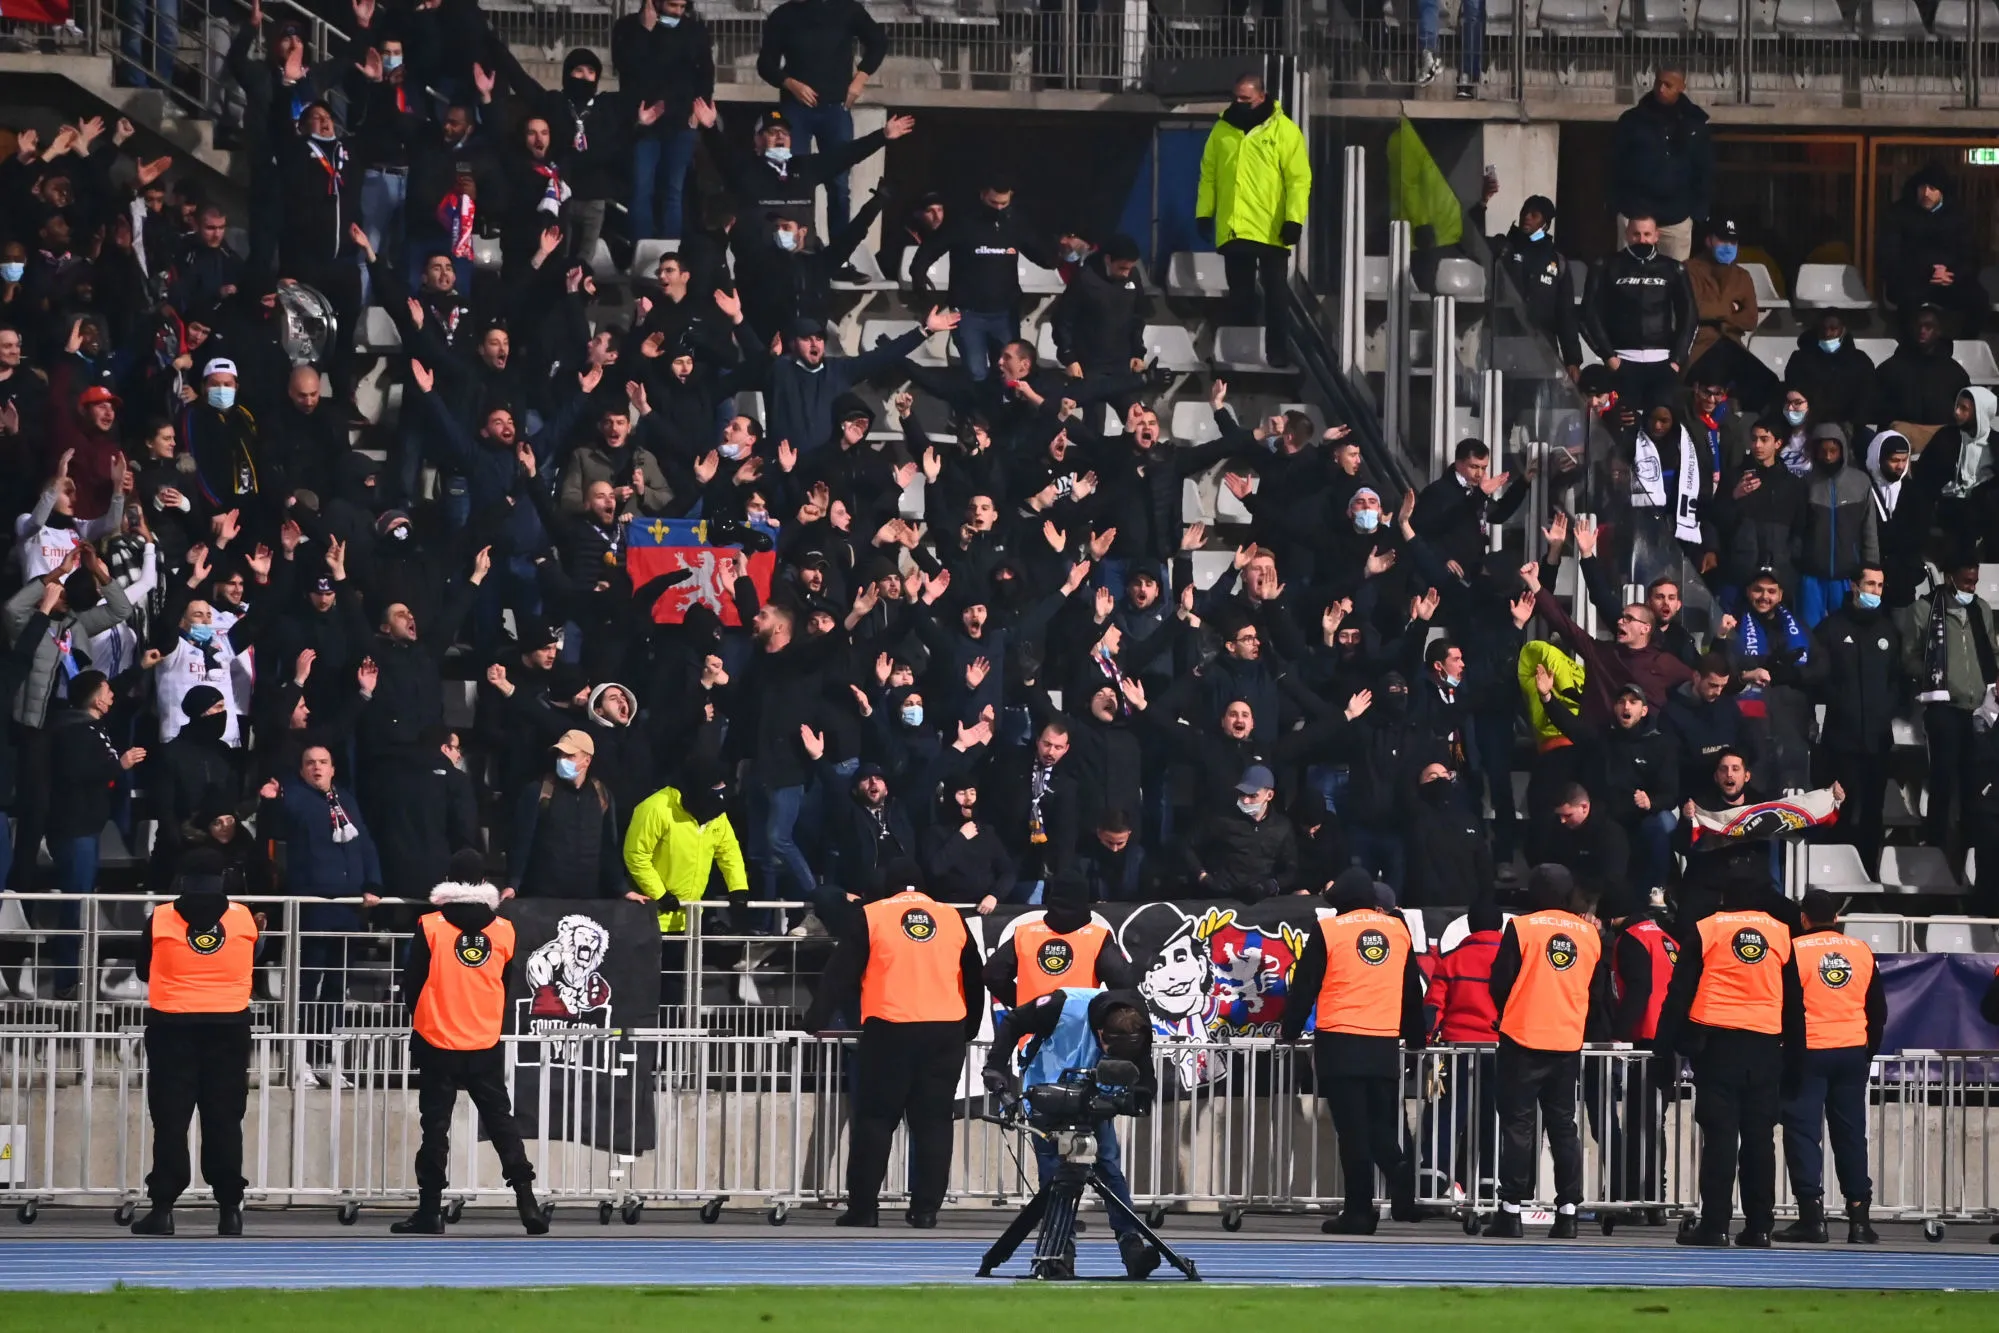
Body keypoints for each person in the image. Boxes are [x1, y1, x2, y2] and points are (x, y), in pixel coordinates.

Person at [804, 862, 982, 1227]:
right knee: (933, 1123)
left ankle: (864, 1209)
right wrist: (970, 1027)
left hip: (891, 1027)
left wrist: (815, 1020)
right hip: (946, 1028)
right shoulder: (951, 917)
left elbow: (840, 973)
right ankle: (926, 1210)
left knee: (875, 1121)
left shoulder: (871, 916)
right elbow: (974, 975)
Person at [392, 853, 548, 1236]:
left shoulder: (431, 925)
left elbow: (411, 983)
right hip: (483, 1039)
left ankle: (430, 1210)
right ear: (482, 884)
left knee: (435, 1130)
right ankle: (527, 1203)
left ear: (449, 881)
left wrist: (425, 1014)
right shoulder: (504, 930)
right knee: (501, 1123)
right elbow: (507, 985)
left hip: (437, 1039)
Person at [1654, 876, 1804, 1247]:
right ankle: (1759, 1227)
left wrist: (1665, 1048)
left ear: (1725, 895)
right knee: (1759, 1141)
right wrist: (1797, 1061)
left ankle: (1715, 1225)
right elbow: (1795, 1005)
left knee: (1720, 1138)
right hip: (1767, 1047)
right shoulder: (1781, 934)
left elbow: (1679, 993)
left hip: (1717, 1045)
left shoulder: (1708, 929)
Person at [1280, 867, 1428, 1233]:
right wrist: (1415, 1037)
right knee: (1380, 1126)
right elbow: (1411, 989)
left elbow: (1305, 986)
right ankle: (1402, 1177)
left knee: (1353, 1132)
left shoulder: (1330, 930)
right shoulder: (1398, 930)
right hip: (1384, 1042)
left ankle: (1360, 1210)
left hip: (1341, 1041)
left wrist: (1290, 1031)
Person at [983, 987, 1160, 1279]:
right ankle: (1060, 1251)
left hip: (1094, 1098)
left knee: (1109, 1169)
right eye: (1111, 1052)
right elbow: (1013, 1022)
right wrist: (995, 1067)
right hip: (1048, 1091)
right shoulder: (1060, 1006)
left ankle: (1132, 1248)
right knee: (1056, 1176)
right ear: (1102, 1033)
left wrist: (1139, 1095)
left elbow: (1144, 1069)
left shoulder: (1136, 1024)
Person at [127, 849, 260, 1237]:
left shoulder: (161, 917)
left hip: (173, 1027)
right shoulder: (243, 918)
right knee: (224, 1119)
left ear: (183, 878)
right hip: (229, 1028)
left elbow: (141, 968)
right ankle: (230, 1211)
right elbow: (254, 957)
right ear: (223, 877)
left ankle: (163, 1210)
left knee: (170, 1120)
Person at [1482, 864, 1612, 1238]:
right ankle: (1568, 1212)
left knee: (1518, 1127)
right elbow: (1597, 990)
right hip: (1566, 1041)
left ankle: (1510, 1212)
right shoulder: (1589, 934)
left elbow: (1500, 983)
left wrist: (1511, 1012)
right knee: (1563, 1128)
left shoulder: (1521, 928)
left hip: (1523, 1038)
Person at [1777, 889, 1886, 1245]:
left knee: (1804, 1134)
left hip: (1809, 1051)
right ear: (1836, 918)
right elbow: (1878, 1011)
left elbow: (1789, 1009)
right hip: (1853, 1051)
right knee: (1851, 1135)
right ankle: (1859, 1220)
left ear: (1803, 918)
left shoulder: (1794, 950)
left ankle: (1812, 1218)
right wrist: (1868, 1052)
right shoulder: (1861, 950)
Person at [1195, 73, 1310, 368]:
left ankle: (1277, 352)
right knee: (1240, 296)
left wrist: (1294, 219)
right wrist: (1204, 213)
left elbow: (1298, 180)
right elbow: (1209, 175)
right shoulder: (1222, 129)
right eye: (1236, 97)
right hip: (1235, 227)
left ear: (1262, 96)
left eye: (1245, 98)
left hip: (1272, 229)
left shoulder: (1284, 131)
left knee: (1276, 295)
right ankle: (1241, 352)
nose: (1239, 103)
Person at [754, 0, 888, 235]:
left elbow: (878, 42)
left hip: (835, 108)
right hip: (795, 109)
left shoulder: (847, 9)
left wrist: (861, 77)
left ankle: (839, 253)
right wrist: (789, 83)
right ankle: (801, 244)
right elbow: (766, 63)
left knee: (838, 183)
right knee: (794, 180)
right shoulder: (783, 14)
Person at [1583, 215, 1697, 412]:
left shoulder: (1674, 268)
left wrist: (1677, 361)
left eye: (1647, 234)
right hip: (1622, 362)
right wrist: (1608, 356)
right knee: (1625, 427)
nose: (1642, 240)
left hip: (1663, 363)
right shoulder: (1605, 265)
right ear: (1627, 234)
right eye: (1636, 234)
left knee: (1661, 427)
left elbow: (1690, 316)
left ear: (1656, 236)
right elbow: (1588, 313)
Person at [623, 761, 752, 934]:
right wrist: (660, 894)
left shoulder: (716, 813)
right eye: (717, 787)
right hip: (651, 916)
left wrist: (738, 888)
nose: (722, 793)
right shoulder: (656, 808)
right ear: (701, 787)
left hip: (690, 917)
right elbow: (636, 855)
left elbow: (729, 851)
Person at [1609, 65, 1713, 262]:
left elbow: (1704, 170)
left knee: (1675, 279)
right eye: (1658, 83)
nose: (1661, 89)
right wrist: (1617, 206)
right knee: (1627, 276)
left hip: (1676, 217)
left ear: (1682, 87)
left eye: (1668, 85)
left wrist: (1697, 213)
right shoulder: (1632, 120)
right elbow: (1615, 164)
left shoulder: (1695, 124)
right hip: (1635, 214)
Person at [985, 873, 1134, 1009]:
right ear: (1084, 899)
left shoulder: (1024, 934)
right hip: (1080, 1031)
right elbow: (1124, 985)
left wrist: (1023, 1006)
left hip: (1031, 1033)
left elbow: (992, 975)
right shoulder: (1098, 938)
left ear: (1051, 897)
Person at [1684, 218, 1758, 376]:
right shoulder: (1689, 269)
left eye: (1733, 242)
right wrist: (1731, 308)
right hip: (1701, 347)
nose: (1728, 246)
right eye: (1723, 240)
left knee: (1765, 381)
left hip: (1733, 345)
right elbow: (1696, 310)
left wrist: (1718, 316)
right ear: (1709, 241)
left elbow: (1751, 320)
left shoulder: (1743, 276)